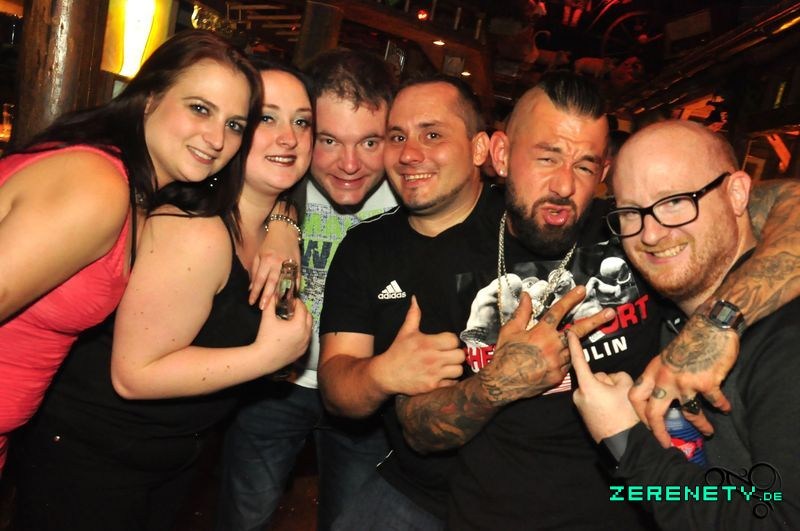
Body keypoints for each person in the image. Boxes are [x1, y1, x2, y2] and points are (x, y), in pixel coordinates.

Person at [375, 72, 800, 529]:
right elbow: (416, 429)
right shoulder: (446, 258)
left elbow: (762, 206)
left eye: (584, 166)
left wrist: (717, 323)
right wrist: (495, 385)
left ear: (602, 173)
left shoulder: (633, 226)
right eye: (547, 157)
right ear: (501, 155)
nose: (563, 185)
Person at [10, 43, 312, 531]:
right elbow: (134, 375)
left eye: (302, 122)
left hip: (162, 456)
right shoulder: (158, 212)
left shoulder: (178, 199)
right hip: (95, 456)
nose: (289, 138)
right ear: (151, 98)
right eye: (266, 119)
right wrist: (268, 355)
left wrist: (284, 220)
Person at [0, 29, 252, 474]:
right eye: (200, 108)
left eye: (234, 125)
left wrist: (284, 218)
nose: (217, 138)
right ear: (150, 99)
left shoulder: (132, 193)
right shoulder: (99, 186)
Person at [570, 120, 800, 529]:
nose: (651, 234)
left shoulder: (786, 341)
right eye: (631, 212)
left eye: (675, 200)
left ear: (737, 194)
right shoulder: (667, 304)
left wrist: (625, 441)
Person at [216, 48, 398, 531]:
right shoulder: (276, 180)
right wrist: (282, 215)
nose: (349, 164)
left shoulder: (408, 197)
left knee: (350, 521)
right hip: (272, 389)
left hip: (365, 395)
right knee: (244, 517)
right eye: (329, 140)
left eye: (370, 142)